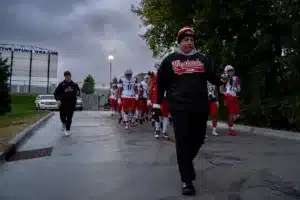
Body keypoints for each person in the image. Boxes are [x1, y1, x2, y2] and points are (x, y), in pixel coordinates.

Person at [152, 26, 224, 196]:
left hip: (200, 106)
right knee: (183, 141)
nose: (189, 43)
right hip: (179, 107)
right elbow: (161, 83)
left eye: (191, 40)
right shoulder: (170, 60)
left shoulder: (202, 59)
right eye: (186, 40)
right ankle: (186, 180)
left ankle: (186, 164)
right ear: (180, 42)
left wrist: (222, 78)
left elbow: (213, 78)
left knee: (198, 139)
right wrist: (157, 105)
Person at [54, 71, 80, 136]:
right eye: (66, 76)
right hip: (62, 103)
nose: (67, 77)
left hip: (71, 104)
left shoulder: (74, 84)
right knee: (62, 117)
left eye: (68, 76)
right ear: (64, 76)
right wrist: (58, 100)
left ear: (70, 76)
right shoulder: (61, 84)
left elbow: (78, 92)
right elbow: (56, 93)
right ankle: (63, 123)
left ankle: (68, 130)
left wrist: (78, 93)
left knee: (69, 117)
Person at [220, 65, 241, 136]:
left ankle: (230, 123)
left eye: (231, 70)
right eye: (229, 71)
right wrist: (226, 94)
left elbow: (239, 89)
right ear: (226, 71)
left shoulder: (236, 78)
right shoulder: (224, 77)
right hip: (229, 97)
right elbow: (221, 89)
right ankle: (231, 129)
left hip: (234, 97)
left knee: (237, 114)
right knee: (232, 113)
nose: (230, 72)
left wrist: (236, 89)